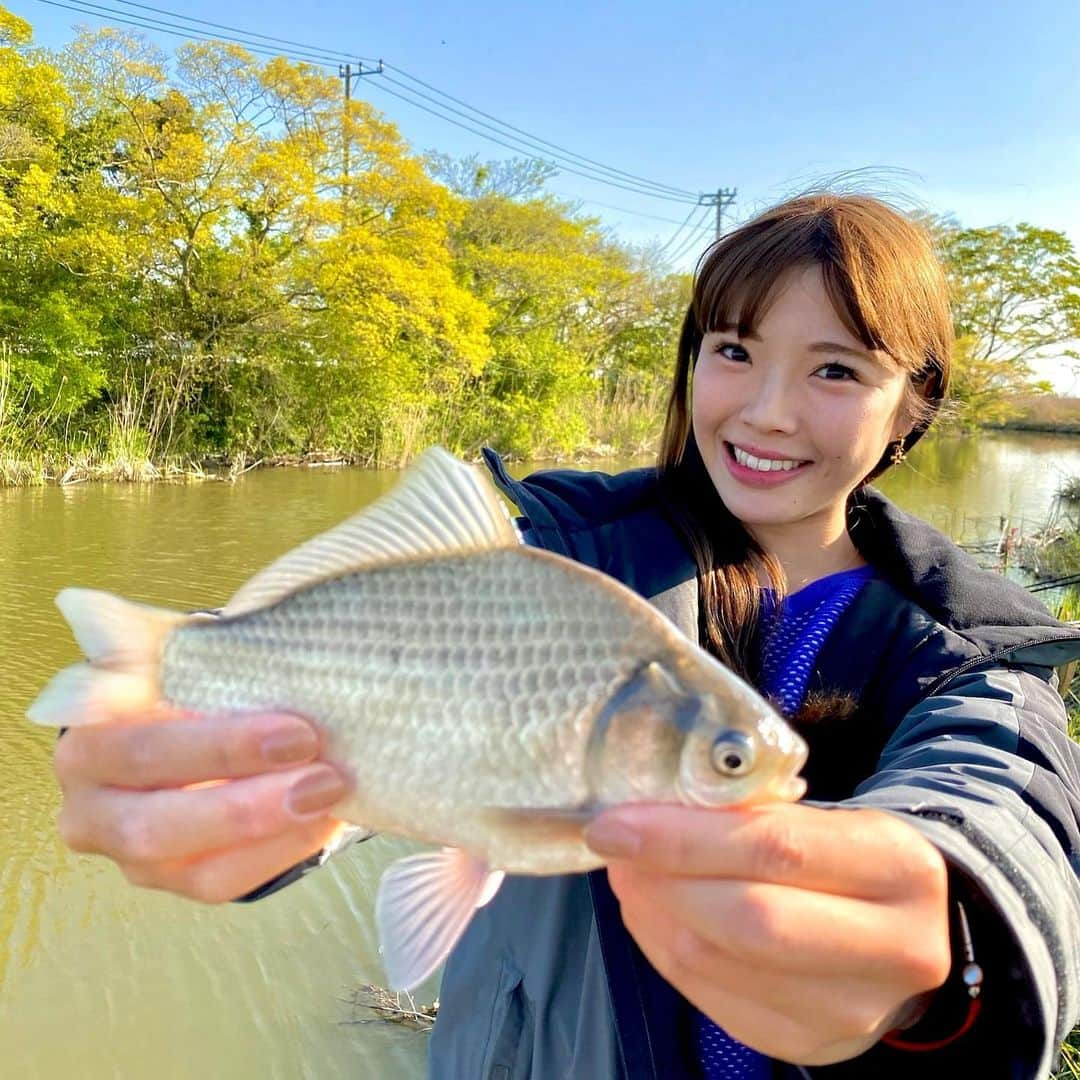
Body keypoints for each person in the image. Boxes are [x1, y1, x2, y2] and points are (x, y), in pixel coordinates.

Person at [50, 193, 1080, 1079]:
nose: (767, 412)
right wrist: (204, 787)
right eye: (734, 351)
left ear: (916, 404)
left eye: (837, 371)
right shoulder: (553, 550)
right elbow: (367, 736)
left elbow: (1001, 803)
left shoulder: (977, 646)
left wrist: (955, 939)